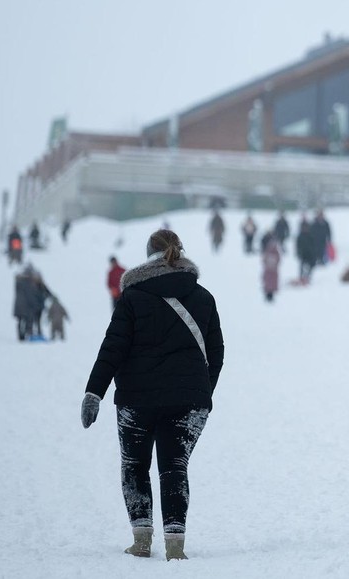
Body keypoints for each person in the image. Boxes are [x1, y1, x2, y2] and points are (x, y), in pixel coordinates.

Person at [80, 229, 224, 561]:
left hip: (136, 399)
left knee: (134, 465)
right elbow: (216, 353)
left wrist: (94, 392)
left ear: (148, 257)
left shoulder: (131, 298)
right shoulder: (203, 297)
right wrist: (201, 390)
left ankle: (142, 539)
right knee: (175, 466)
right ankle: (176, 546)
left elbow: (112, 349)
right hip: (188, 400)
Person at [13, 266, 38, 341]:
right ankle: (26, 334)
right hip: (26, 306)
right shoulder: (27, 283)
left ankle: (21, 335)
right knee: (28, 320)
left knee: (20, 321)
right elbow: (30, 295)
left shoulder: (19, 281)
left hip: (18, 305)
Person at [295, 218, 317, 284]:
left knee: (310, 267)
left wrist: (314, 253)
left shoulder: (311, 235)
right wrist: (298, 253)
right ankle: (302, 277)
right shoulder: (300, 236)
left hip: (310, 254)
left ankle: (308, 278)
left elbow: (314, 245)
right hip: (303, 254)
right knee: (302, 266)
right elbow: (298, 246)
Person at [261, 232, 280, 302]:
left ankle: (271, 296)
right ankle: (268, 295)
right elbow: (264, 259)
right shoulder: (268, 251)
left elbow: (278, 259)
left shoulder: (275, 251)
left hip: (273, 270)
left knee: (271, 283)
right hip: (269, 270)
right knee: (268, 283)